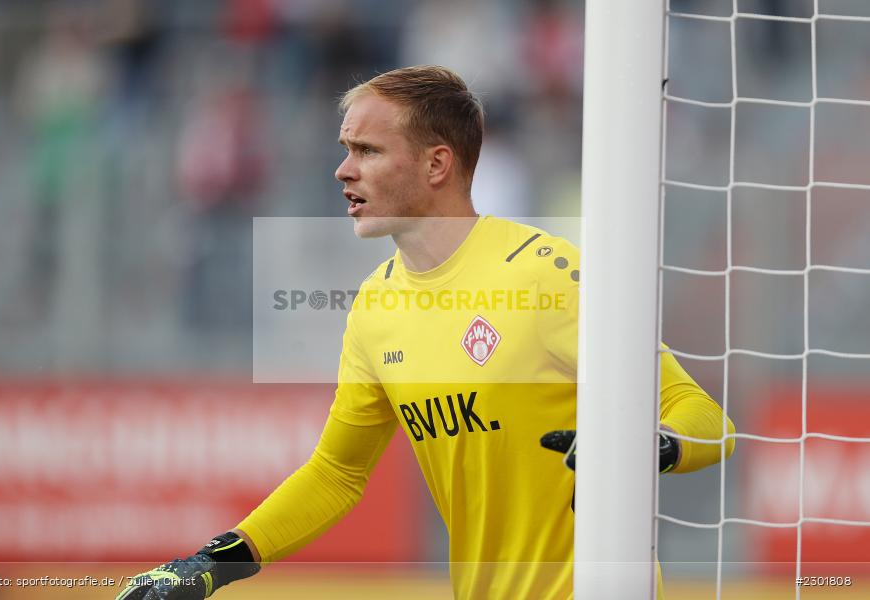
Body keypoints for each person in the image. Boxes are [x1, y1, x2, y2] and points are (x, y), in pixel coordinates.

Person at [116, 65, 735, 600]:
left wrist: (651, 446)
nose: (342, 170)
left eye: (367, 151)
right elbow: (336, 473)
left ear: (437, 163)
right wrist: (208, 565)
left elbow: (705, 417)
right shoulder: (374, 307)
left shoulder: (548, 277)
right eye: (345, 148)